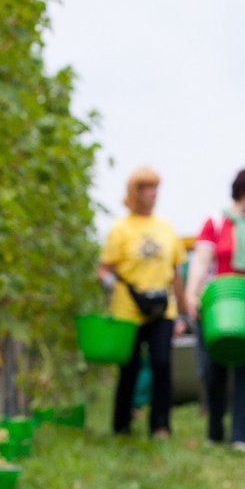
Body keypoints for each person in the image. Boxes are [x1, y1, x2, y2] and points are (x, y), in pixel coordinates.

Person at [186, 168, 245, 450]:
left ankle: (241, 434)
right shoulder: (216, 221)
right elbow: (202, 260)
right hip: (218, 303)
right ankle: (215, 428)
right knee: (213, 367)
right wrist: (192, 293)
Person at [98, 167, 189, 438]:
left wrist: (183, 313)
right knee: (130, 367)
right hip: (128, 310)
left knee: (162, 364)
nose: (152, 194)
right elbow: (105, 269)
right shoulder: (120, 229)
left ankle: (160, 425)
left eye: (155, 188)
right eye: (146, 188)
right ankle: (122, 424)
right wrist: (106, 282)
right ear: (134, 193)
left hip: (162, 308)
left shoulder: (166, 229)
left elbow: (176, 273)